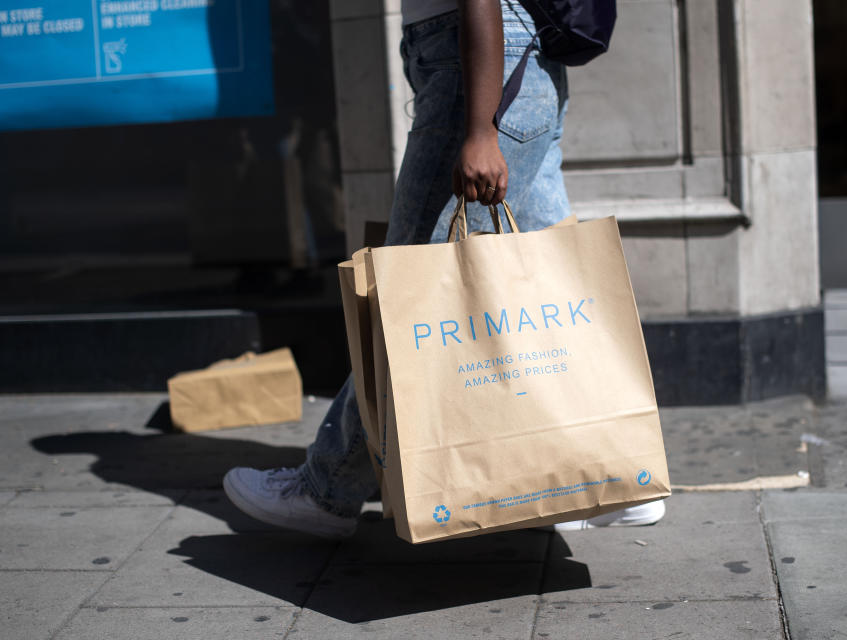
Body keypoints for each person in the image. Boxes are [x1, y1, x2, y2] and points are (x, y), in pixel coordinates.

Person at [223, 0, 665, 538]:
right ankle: (612, 471)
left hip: (478, 73)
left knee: (408, 300)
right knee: (552, 291)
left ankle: (326, 489)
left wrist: (479, 130)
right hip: (522, 67)